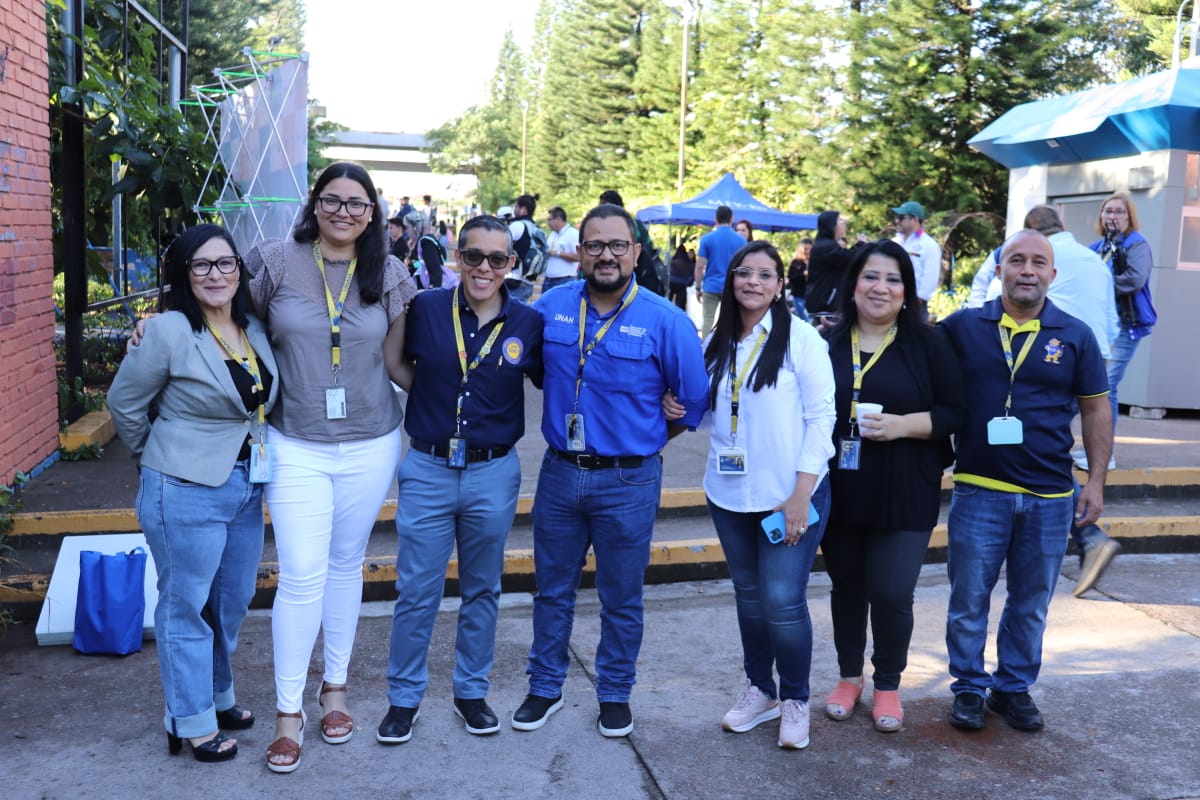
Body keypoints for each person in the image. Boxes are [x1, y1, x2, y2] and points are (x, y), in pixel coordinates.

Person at [510, 203, 708, 739]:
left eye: (617, 245)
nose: (606, 255)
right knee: (552, 590)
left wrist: (643, 439)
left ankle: (615, 694)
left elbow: (692, 403)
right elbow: (532, 369)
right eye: (594, 245)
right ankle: (545, 687)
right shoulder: (549, 308)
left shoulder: (667, 321)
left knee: (621, 597)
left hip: (630, 480)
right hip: (559, 474)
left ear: (636, 252)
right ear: (579, 252)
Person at [248, 162, 418, 772]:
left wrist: (464, 402)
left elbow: (400, 362)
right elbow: (222, 314)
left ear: (372, 213)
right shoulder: (276, 260)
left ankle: (336, 690)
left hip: (372, 441)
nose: (344, 212)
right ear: (314, 204)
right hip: (295, 440)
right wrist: (155, 329)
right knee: (300, 574)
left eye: (357, 203)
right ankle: (287, 713)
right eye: (333, 200)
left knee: (347, 564)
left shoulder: (390, 273)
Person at [109, 224, 280, 763]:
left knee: (230, 603)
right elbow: (123, 404)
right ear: (184, 274)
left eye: (225, 263)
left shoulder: (252, 325)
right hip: (183, 488)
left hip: (245, 486)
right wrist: (157, 459)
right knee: (185, 606)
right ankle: (191, 721)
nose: (215, 274)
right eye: (201, 265)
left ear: (239, 270)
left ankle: (217, 695)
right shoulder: (168, 331)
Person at [377, 216, 544, 745]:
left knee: (482, 589)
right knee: (416, 590)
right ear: (458, 257)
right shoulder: (426, 307)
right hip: (428, 468)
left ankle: (471, 692)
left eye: (497, 259)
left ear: (511, 264)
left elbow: (562, 380)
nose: (484, 268)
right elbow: (393, 361)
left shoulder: (528, 323)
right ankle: (404, 699)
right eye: (474, 256)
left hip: (493, 471)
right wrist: (432, 400)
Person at [939, 229, 1111, 733]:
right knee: (968, 600)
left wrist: (1096, 482)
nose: (1027, 270)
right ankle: (969, 688)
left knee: (1031, 604)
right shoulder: (963, 327)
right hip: (980, 489)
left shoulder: (1075, 335)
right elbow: (914, 357)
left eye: (1038, 262)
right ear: (999, 270)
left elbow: (1096, 410)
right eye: (1017, 260)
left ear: (1053, 274)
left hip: (1051, 495)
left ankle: (1012, 688)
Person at [819, 240, 965, 734]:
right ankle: (848, 678)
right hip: (841, 485)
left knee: (892, 591)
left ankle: (887, 684)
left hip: (906, 486)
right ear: (853, 285)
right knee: (847, 587)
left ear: (906, 291)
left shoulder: (928, 343)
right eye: (870, 276)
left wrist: (903, 426)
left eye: (893, 279)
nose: (880, 288)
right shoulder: (826, 343)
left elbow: (957, 411)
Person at [697, 240, 837, 750]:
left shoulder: (801, 338)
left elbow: (822, 418)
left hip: (788, 495)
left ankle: (796, 697)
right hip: (729, 493)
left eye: (764, 274)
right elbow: (709, 413)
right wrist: (677, 408)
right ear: (730, 280)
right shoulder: (717, 340)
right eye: (743, 272)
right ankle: (761, 689)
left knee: (782, 601)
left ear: (779, 285)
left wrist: (802, 494)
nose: (752, 281)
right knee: (750, 597)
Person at [1072, 193, 1156, 591]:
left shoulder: (1137, 245)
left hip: (1128, 325)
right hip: (1104, 324)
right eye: (1108, 210)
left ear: (1129, 216)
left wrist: (1103, 280)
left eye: (1119, 211)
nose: (1112, 215)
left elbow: (1134, 280)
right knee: (1102, 388)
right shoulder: (1095, 247)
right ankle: (1102, 449)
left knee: (1105, 387)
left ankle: (1106, 453)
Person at [694, 205, 745, 335]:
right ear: (731, 219)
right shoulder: (741, 240)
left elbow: (699, 266)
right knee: (730, 320)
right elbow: (744, 267)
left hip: (711, 286)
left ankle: (706, 346)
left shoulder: (707, 239)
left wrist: (698, 287)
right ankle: (727, 344)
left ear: (715, 219)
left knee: (708, 320)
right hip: (731, 286)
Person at [806, 211, 863, 318]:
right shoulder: (826, 247)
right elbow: (849, 259)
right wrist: (861, 244)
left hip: (826, 305)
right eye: (840, 220)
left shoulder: (825, 244)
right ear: (832, 226)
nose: (844, 223)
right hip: (825, 306)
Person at [891, 201, 941, 315]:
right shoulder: (894, 242)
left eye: (901, 217)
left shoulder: (929, 245)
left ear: (914, 220)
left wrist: (914, 303)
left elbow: (930, 279)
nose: (897, 221)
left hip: (914, 306)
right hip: (891, 302)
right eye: (896, 217)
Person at [543, 206, 580, 292]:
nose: (548, 223)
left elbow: (579, 257)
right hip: (548, 280)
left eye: (550, 220)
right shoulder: (553, 234)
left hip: (564, 280)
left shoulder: (573, 234)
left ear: (558, 219)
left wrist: (558, 253)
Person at [787, 239, 811, 319]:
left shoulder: (814, 261)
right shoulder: (796, 262)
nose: (808, 252)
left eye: (810, 249)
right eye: (806, 249)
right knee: (804, 319)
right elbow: (791, 277)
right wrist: (803, 274)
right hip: (799, 295)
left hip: (812, 296)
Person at [668, 243, 694, 311]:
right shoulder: (687, 262)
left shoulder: (673, 260)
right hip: (682, 285)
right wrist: (688, 283)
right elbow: (691, 274)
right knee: (680, 305)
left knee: (668, 301)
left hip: (672, 283)